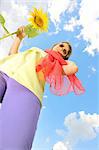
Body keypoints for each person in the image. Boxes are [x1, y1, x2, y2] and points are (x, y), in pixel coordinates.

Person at [0, 26, 79, 150]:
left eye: (65, 52)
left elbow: (73, 68)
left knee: (13, 143)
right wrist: (19, 38)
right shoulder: (37, 51)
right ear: (55, 45)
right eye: (62, 45)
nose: (63, 48)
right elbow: (12, 55)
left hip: (27, 88)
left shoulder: (57, 64)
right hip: (3, 72)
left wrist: (62, 60)